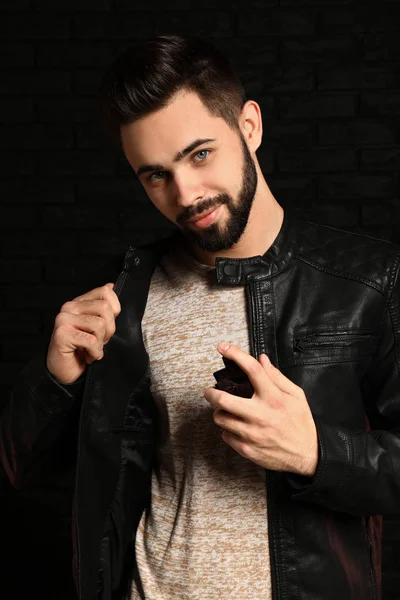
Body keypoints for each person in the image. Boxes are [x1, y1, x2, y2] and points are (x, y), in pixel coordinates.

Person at [1, 33, 400, 600]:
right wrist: (53, 381)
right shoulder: (123, 295)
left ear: (250, 127)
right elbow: (32, 477)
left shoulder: (369, 281)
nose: (185, 193)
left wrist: (316, 453)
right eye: (155, 175)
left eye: (200, 154)